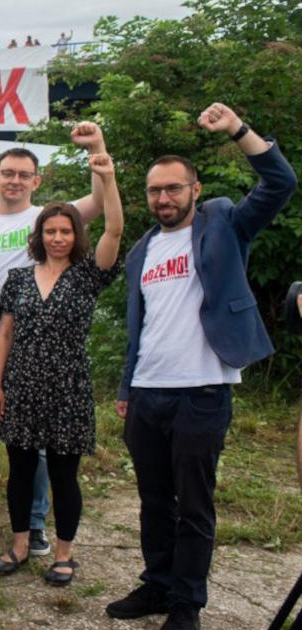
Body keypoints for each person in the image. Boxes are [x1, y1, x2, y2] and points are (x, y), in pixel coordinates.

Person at [106, 103, 297, 630]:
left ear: (193, 189)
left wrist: (237, 129)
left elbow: (280, 182)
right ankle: (158, 585)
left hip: (203, 390)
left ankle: (187, 603)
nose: (163, 198)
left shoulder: (224, 224)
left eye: (173, 188)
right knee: (152, 500)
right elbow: (138, 328)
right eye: (154, 190)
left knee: (194, 504)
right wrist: (128, 386)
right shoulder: (142, 250)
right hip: (148, 392)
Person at [0, 124, 109, 552]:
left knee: (37, 441)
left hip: (33, 348)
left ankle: (36, 521)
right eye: (8, 172)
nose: (15, 180)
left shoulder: (47, 220)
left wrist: (97, 149)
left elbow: (99, 201)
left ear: (36, 181)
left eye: (24, 174)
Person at [0, 152, 124, 586]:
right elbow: (4, 336)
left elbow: (116, 229)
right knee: (21, 471)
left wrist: (107, 177)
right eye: (51, 230)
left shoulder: (88, 275)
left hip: (69, 387)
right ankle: (20, 543)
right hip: (22, 385)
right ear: (40, 235)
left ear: (76, 235)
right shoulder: (19, 279)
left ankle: (64, 554)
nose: (58, 237)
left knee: (65, 475)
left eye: (66, 230)